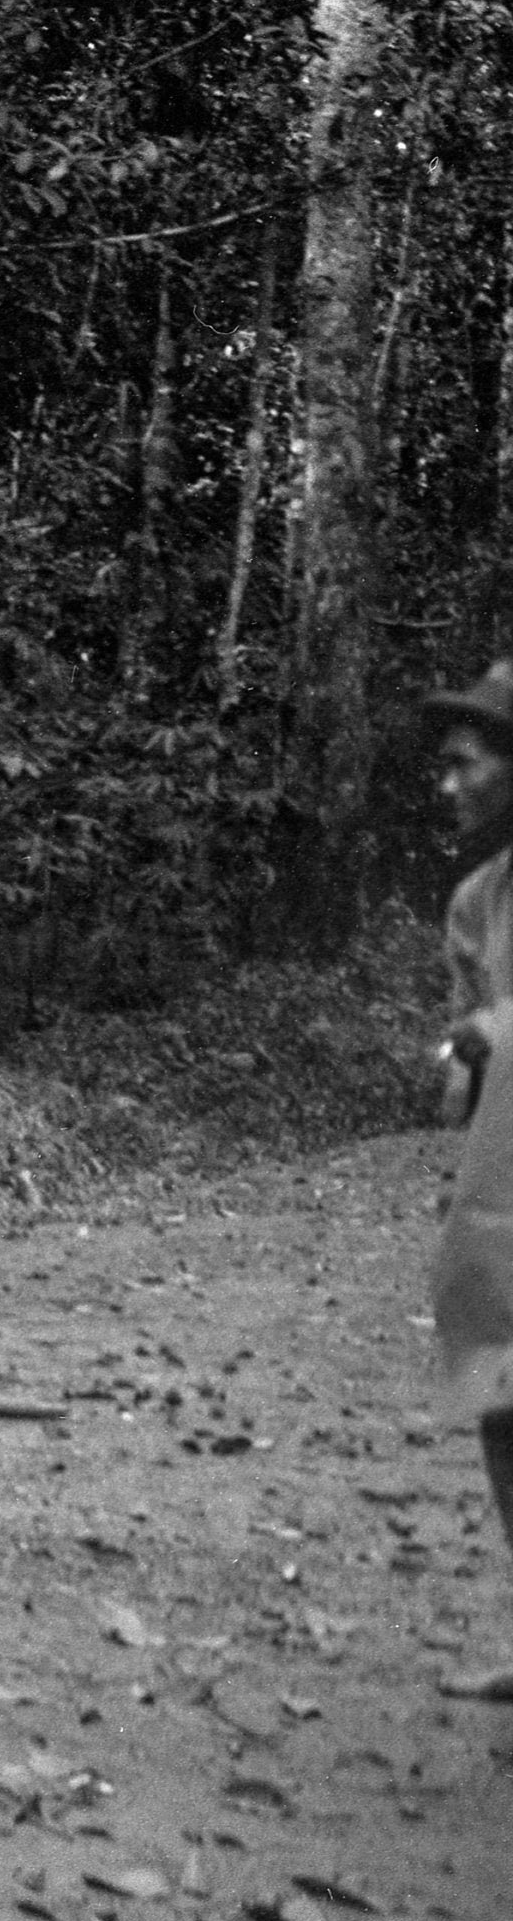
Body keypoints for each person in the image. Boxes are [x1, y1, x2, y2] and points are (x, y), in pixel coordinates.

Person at [423, 661, 513, 1701]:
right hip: (500, 1196)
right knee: (503, 1405)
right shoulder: (476, 903)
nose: (447, 787)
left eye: (463, 766)